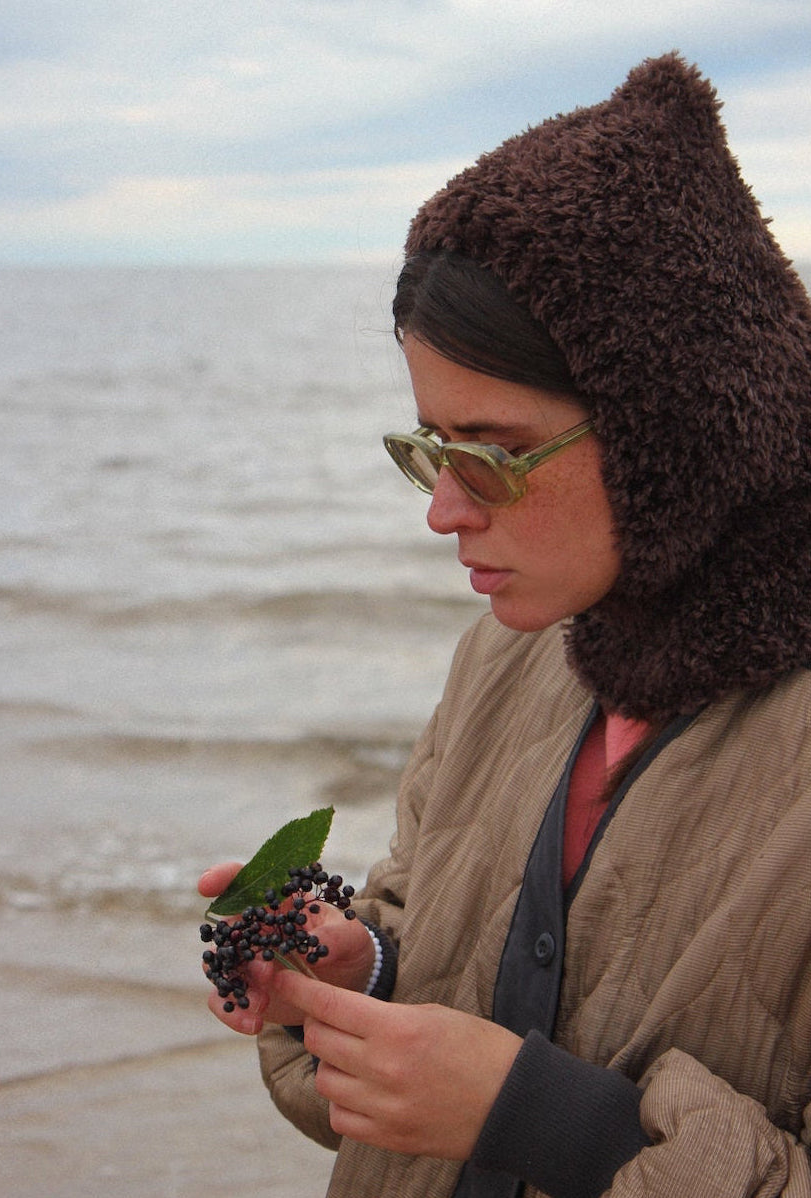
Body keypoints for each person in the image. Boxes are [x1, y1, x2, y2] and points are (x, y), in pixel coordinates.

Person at [198, 52, 811, 1197]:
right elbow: (434, 923)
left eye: (496, 454)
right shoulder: (516, 648)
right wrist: (361, 967)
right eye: (430, 447)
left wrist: (546, 1120)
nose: (443, 509)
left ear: (667, 421)